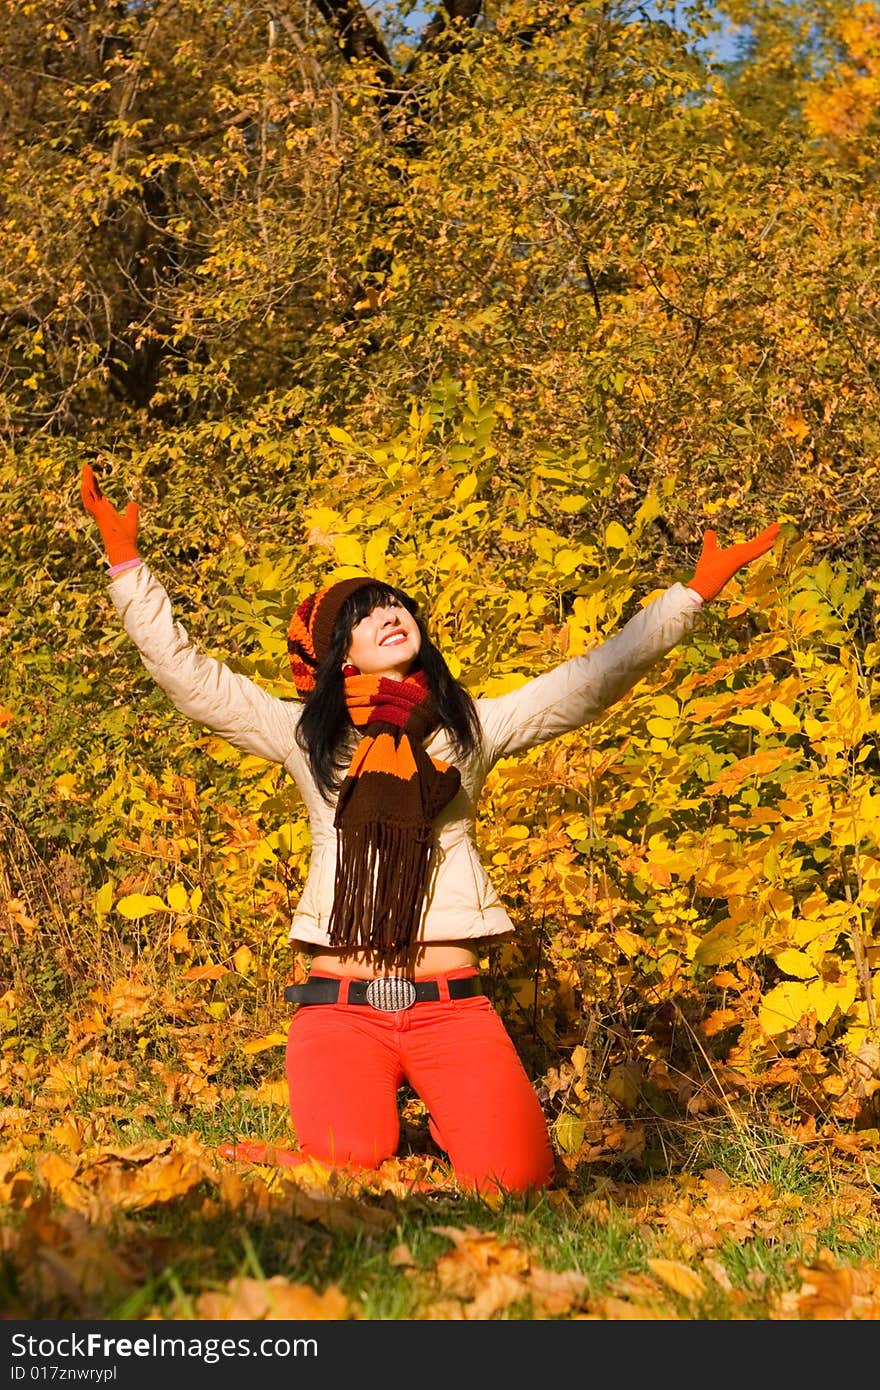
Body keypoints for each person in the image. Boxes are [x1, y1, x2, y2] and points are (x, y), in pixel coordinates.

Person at [80, 462, 780, 1194]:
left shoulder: (469, 729)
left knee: (517, 1182)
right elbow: (189, 676)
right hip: (340, 1011)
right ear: (335, 657)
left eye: (394, 605)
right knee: (349, 1160)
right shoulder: (306, 738)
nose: (387, 616)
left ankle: (462, 1127)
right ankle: (315, 1147)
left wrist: (691, 595)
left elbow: (591, 679)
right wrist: (127, 566)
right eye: (361, 617)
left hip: (452, 1009)